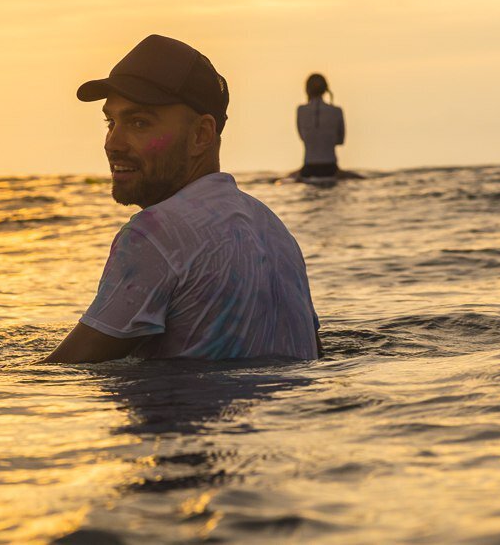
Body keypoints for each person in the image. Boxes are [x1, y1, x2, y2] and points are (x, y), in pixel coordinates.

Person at [44, 34, 321, 363]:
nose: (112, 143)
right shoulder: (275, 231)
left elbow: (61, 372)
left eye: (139, 122)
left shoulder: (155, 234)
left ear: (201, 135)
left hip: (188, 412)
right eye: (111, 121)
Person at [296, 73, 345, 179]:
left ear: (307, 89)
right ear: (325, 89)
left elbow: (302, 137)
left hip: (308, 169)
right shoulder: (337, 111)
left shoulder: (301, 110)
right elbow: (340, 141)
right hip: (331, 169)